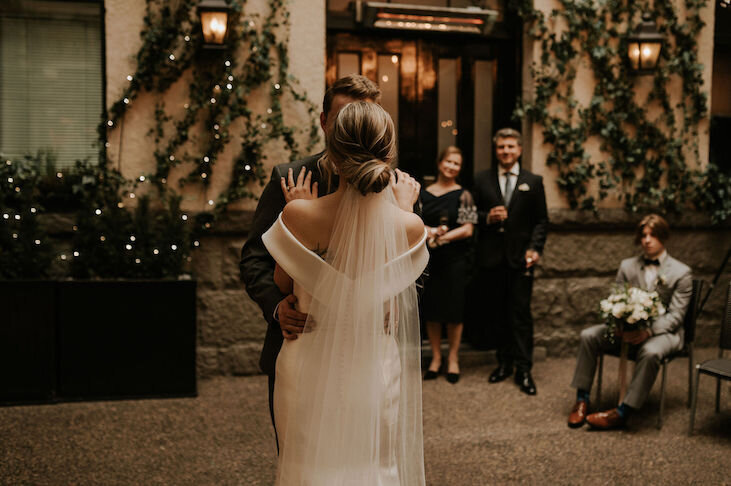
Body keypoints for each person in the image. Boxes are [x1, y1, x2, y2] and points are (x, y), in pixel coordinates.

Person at [239, 74, 420, 447]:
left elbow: (414, 266)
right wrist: (277, 309)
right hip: (302, 341)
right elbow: (254, 258)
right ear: (325, 122)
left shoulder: (399, 187)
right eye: (345, 117)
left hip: (367, 349)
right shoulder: (289, 177)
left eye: (366, 116)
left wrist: (394, 302)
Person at [568, 214, 692, 429]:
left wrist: (648, 332)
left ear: (663, 236)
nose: (647, 240)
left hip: (664, 334)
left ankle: (623, 412)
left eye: (653, 235)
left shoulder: (682, 273)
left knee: (651, 352)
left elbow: (676, 316)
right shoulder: (627, 266)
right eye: (643, 235)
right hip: (627, 330)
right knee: (589, 336)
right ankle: (582, 399)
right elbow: (616, 299)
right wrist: (618, 324)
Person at [471, 128, 548, 395]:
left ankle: (524, 369)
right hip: (491, 259)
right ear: (496, 150)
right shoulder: (481, 180)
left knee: (521, 315)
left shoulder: (534, 181)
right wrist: (486, 218)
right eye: (501, 147)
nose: (506, 151)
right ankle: (503, 364)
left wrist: (535, 249)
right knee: (498, 314)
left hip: (521, 260)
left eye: (510, 147)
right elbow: (469, 214)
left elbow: (541, 221)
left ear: (519, 150)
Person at [421, 146, 477, 384]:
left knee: (454, 310)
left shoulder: (464, 194)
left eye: (456, 164)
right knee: (432, 310)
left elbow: (468, 228)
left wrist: (443, 238)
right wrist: (431, 234)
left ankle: (453, 358)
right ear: (440, 162)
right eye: (448, 162)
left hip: (455, 259)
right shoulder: (423, 194)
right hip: (429, 259)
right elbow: (414, 224)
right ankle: (435, 358)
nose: (452, 167)